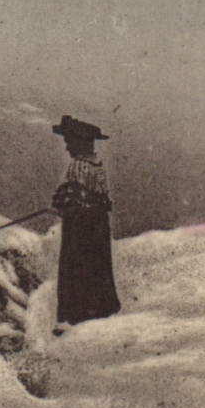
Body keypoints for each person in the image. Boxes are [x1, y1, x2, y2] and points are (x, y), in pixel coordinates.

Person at [50, 115, 120, 325]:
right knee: (97, 266)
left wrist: (62, 205)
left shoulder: (78, 166)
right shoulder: (98, 165)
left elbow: (72, 198)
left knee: (77, 267)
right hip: (97, 224)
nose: (67, 148)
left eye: (69, 142)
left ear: (79, 143)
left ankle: (77, 314)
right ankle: (99, 309)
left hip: (80, 227)